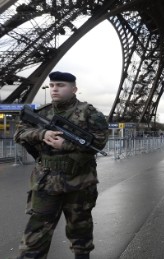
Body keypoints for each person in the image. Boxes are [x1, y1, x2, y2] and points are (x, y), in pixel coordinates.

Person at [14, 71, 109, 259]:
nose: (55, 89)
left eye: (61, 85)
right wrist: (42, 135)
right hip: (46, 182)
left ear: (74, 89)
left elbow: (98, 143)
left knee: (81, 233)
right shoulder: (42, 112)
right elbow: (20, 133)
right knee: (35, 236)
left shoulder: (90, 114)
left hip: (80, 183)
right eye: (52, 85)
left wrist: (63, 144)